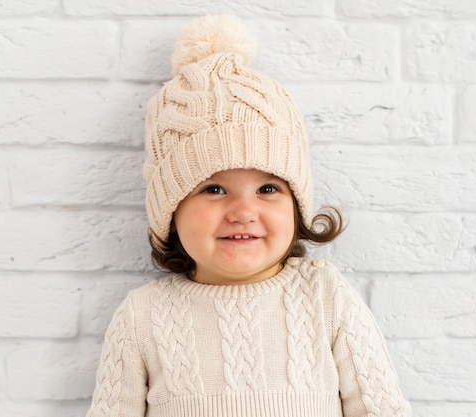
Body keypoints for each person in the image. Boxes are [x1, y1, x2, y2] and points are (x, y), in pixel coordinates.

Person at [85, 15, 411, 417]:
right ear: (170, 208)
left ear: (296, 205)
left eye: (268, 189)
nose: (243, 212)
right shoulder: (143, 316)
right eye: (214, 189)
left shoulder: (326, 297)